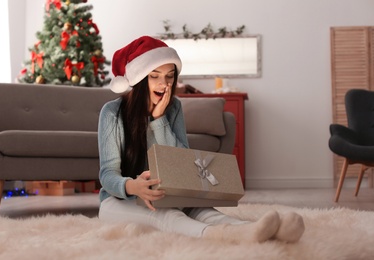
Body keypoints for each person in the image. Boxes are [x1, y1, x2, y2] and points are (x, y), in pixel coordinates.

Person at [98, 35, 305, 243]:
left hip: (167, 194)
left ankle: (262, 231)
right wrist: (132, 186)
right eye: (155, 76)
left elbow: (182, 162)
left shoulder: (173, 108)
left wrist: (160, 120)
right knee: (168, 216)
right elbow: (107, 174)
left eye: (170, 76)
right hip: (118, 200)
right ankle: (224, 236)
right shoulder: (112, 113)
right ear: (140, 79)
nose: (164, 84)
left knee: (204, 211)